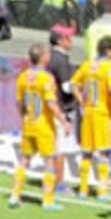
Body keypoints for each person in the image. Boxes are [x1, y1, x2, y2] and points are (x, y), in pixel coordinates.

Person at [9, 44, 72, 210]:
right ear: (43, 57)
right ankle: (48, 200)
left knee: (24, 159)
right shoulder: (46, 78)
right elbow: (51, 103)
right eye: (47, 54)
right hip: (44, 125)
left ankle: (14, 195)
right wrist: (64, 121)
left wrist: (23, 117)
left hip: (28, 123)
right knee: (49, 160)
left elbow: (19, 102)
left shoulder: (23, 76)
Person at [70, 37, 111, 201]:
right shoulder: (108, 67)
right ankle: (103, 191)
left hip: (88, 111)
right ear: (108, 51)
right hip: (102, 113)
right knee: (104, 152)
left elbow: (73, 84)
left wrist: (81, 101)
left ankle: (83, 189)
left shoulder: (87, 65)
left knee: (87, 152)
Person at [47, 23, 78, 193]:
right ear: (60, 41)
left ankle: (52, 180)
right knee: (60, 149)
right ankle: (59, 183)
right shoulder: (61, 59)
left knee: (54, 146)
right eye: (67, 38)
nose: (70, 40)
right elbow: (66, 87)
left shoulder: (50, 56)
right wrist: (79, 90)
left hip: (51, 106)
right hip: (61, 108)